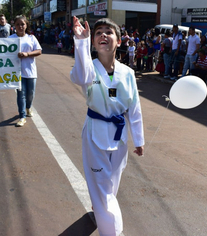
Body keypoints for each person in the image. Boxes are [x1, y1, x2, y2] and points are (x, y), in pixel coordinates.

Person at [70, 16, 144, 236]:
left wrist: (138, 140)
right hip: (95, 134)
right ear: (94, 42)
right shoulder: (89, 69)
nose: (103, 35)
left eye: (109, 32)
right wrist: (81, 42)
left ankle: (100, 209)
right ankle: (112, 232)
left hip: (119, 137)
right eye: (98, 32)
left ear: (119, 41)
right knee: (103, 190)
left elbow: (135, 109)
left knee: (111, 184)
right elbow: (80, 75)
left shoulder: (128, 73)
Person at [8, 15, 42, 127]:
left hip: (30, 71)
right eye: (17, 24)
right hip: (17, 72)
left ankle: (28, 107)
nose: (20, 26)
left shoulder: (31, 38)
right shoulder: (10, 39)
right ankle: (22, 116)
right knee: (21, 94)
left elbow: (39, 51)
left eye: (22, 24)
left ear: (26, 25)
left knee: (30, 94)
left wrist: (27, 54)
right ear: (14, 26)